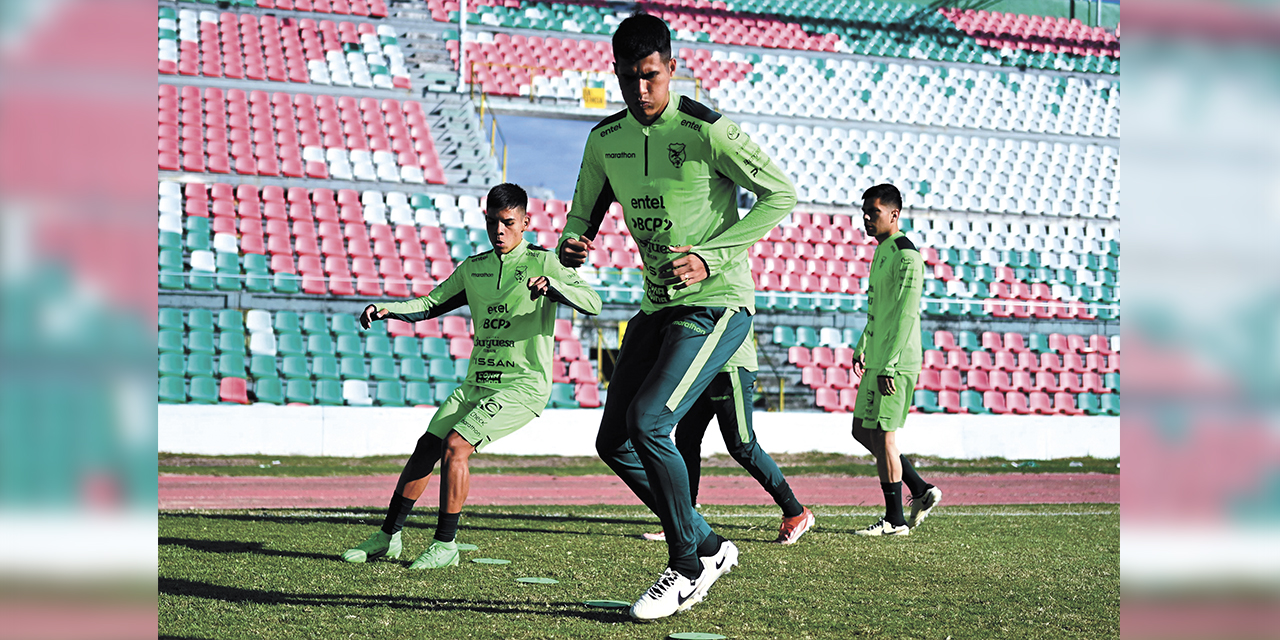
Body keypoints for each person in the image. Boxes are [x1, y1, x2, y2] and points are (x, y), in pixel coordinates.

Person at [557, 13, 797, 620]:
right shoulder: (604, 140)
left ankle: (686, 566)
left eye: (652, 76)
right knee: (614, 441)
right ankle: (710, 544)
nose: (641, 90)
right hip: (656, 306)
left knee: (649, 420)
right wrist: (573, 245)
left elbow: (782, 193)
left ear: (671, 66)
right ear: (615, 74)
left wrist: (710, 258)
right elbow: (581, 217)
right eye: (629, 78)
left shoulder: (704, 130)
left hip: (717, 303)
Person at [341, 183, 601, 568]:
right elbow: (431, 303)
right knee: (426, 448)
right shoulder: (474, 268)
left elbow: (593, 302)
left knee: (456, 447)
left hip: (522, 386)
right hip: (475, 384)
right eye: (492, 222)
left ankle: (445, 545)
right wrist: (388, 310)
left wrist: (555, 288)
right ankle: (388, 536)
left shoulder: (546, 263)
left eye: (508, 223)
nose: (499, 231)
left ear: (526, 222)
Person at [641, 337, 815, 545]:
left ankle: (795, 512)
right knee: (686, 440)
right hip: (701, 367)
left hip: (730, 364)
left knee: (741, 445)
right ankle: (683, 522)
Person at [849, 183, 942, 537]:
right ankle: (919, 489)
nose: (867, 219)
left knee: (884, 437)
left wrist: (889, 363)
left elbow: (905, 314)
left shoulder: (907, 255)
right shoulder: (883, 250)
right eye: (864, 213)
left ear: (894, 214)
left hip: (895, 362)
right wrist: (863, 343)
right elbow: (879, 310)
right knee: (862, 430)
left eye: (873, 212)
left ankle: (894, 520)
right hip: (878, 357)